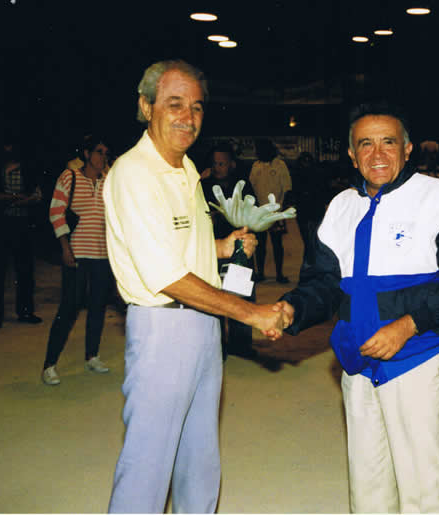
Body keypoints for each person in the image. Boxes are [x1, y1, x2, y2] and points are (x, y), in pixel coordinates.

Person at [276, 103, 439, 512]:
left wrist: (410, 324)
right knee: (368, 481)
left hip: (415, 359)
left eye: (388, 143)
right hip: (356, 361)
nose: (377, 154)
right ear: (351, 154)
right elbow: (323, 282)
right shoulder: (340, 207)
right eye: (366, 144)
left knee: (423, 484)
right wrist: (292, 309)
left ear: (408, 149)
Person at [102, 59, 285, 513]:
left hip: (203, 327)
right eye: (175, 104)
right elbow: (164, 275)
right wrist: (250, 313)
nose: (188, 117)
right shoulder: (134, 173)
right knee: (147, 466)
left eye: (197, 107)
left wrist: (223, 246)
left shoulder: (185, 169)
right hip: (163, 328)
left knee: (199, 458)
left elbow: (181, 248)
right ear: (147, 107)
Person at [41, 134, 113, 386]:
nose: (103, 158)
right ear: (86, 153)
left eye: (106, 153)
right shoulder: (69, 177)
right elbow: (56, 213)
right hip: (77, 253)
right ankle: (49, 364)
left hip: (103, 255)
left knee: (98, 307)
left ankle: (92, 356)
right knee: (69, 309)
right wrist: (65, 248)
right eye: (98, 152)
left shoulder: (109, 182)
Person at [201, 143, 257, 360]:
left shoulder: (243, 186)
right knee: (213, 298)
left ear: (232, 164)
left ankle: (241, 344)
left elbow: (254, 213)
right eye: (214, 163)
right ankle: (217, 346)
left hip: (239, 250)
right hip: (212, 249)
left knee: (241, 296)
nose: (218, 167)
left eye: (222, 163)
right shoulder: (203, 186)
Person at [0, 140, 43, 328]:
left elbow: (37, 195)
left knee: (25, 271)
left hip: (22, 223)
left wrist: (13, 199)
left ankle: (25, 312)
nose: (8, 150)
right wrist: (17, 197)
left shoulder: (27, 170)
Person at [249, 138, 292, 283]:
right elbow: (251, 186)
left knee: (277, 244)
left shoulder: (280, 165)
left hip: (276, 212)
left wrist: (282, 210)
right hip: (259, 212)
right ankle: (260, 273)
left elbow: (287, 188)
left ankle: (279, 274)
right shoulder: (256, 166)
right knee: (260, 244)